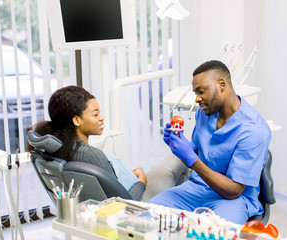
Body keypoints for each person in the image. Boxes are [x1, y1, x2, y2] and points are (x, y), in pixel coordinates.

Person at [148, 60, 271, 224]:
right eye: (195, 93)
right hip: (195, 189)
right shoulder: (204, 114)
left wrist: (190, 158)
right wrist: (178, 145)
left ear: (221, 85)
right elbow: (196, 153)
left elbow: (233, 191)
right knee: (147, 217)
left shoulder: (254, 130)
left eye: (201, 91)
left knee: (211, 233)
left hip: (232, 200)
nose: (197, 99)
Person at [28, 85, 189, 201]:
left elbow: (109, 185)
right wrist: (141, 181)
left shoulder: (62, 150)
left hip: (125, 190)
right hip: (141, 201)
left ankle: (174, 202)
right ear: (76, 120)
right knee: (180, 156)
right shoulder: (89, 155)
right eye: (95, 114)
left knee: (179, 174)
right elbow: (126, 200)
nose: (101, 117)